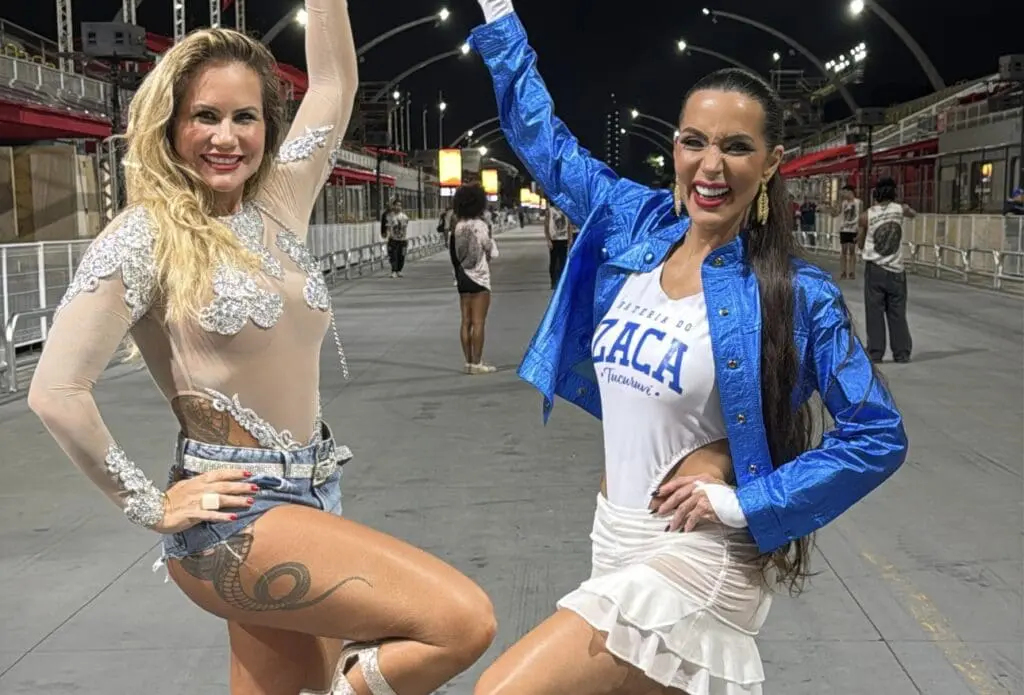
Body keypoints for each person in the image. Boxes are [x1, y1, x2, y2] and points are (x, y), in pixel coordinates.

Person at [27, 4, 496, 694]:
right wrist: (151, 505)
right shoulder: (144, 236)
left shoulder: (279, 201)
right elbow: (56, 391)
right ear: (169, 125)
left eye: (244, 117)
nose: (226, 137)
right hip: (236, 516)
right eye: (205, 117)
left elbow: (333, 84)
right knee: (460, 621)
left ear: (268, 128)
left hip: (315, 491)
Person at [468, 3, 907, 694]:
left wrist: (747, 503)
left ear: (771, 163)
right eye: (694, 141)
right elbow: (544, 142)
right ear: (675, 147)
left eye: (736, 147)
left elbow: (878, 434)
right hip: (614, 534)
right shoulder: (636, 223)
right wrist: (499, 16)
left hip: (698, 556)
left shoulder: (797, 294)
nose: (710, 165)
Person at [857, 177, 915, 363]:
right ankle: (902, 353)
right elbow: (912, 213)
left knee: (874, 312)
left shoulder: (866, 216)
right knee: (898, 313)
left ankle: (876, 352)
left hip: (875, 269)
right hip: (897, 270)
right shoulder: (900, 210)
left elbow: (860, 243)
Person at [449, 183, 498, 374]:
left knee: (466, 321)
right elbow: (490, 249)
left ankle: (468, 362)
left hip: (462, 277)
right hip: (480, 278)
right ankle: (477, 363)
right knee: (478, 322)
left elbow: (453, 252)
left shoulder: (457, 227)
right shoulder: (480, 225)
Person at [830, 184, 862, 280]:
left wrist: (860, 230)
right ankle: (843, 271)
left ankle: (852, 272)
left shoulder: (858, 202)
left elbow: (861, 215)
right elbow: (835, 213)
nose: (843, 194)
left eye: (844, 192)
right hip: (844, 229)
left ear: (850, 192)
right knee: (843, 250)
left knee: (852, 250)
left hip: (854, 229)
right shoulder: (843, 203)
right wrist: (833, 207)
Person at [544, 204, 572, 289]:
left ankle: (561, 282)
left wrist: (570, 238)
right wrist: (548, 240)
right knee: (553, 261)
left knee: (563, 262)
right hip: (554, 240)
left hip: (564, 239)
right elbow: (546, 226)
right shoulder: (550, 211)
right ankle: (553, 281)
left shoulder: (566, 210)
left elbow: (569, 226)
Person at [383, 198, 410, 278]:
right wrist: (388, 235)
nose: (398, 207)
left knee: (402, 255)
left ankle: (399, 270)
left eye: (400, 206)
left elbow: (405, 228)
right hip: (393, 239)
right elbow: (388, 227)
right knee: (393, 256)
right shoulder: (390, 216)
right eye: (396, 205)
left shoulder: (404, 217)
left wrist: (405, 238)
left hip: (403, 240)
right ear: (393, 206)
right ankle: (394, 271)